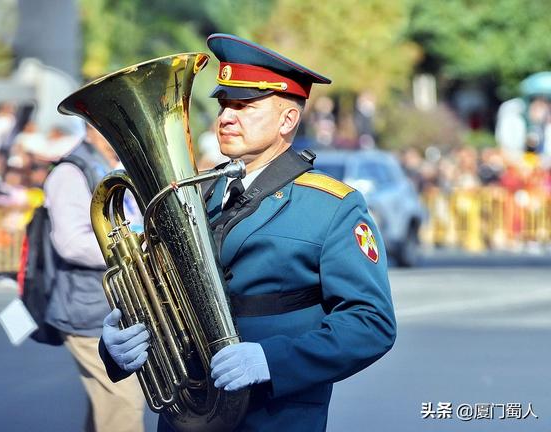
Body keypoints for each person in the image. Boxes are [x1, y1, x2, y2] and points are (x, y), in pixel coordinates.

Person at [99, 33, 396, 431]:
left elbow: (371, 322)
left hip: (274, 417)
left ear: (287, 119)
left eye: (244, 105)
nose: (225, 117)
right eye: (223, 103)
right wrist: (119, 343)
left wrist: (272, 361)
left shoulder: (332, 206)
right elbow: (158, 295)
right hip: (186, 415)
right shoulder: (194, 193)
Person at [43, 121, 145, 432]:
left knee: (108, 406)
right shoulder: (70, 172)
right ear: (90, 128)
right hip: (87, 308)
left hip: (113, 304)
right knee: (123, 405)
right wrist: (135, 246)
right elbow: (70, 243)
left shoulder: (112, 165)